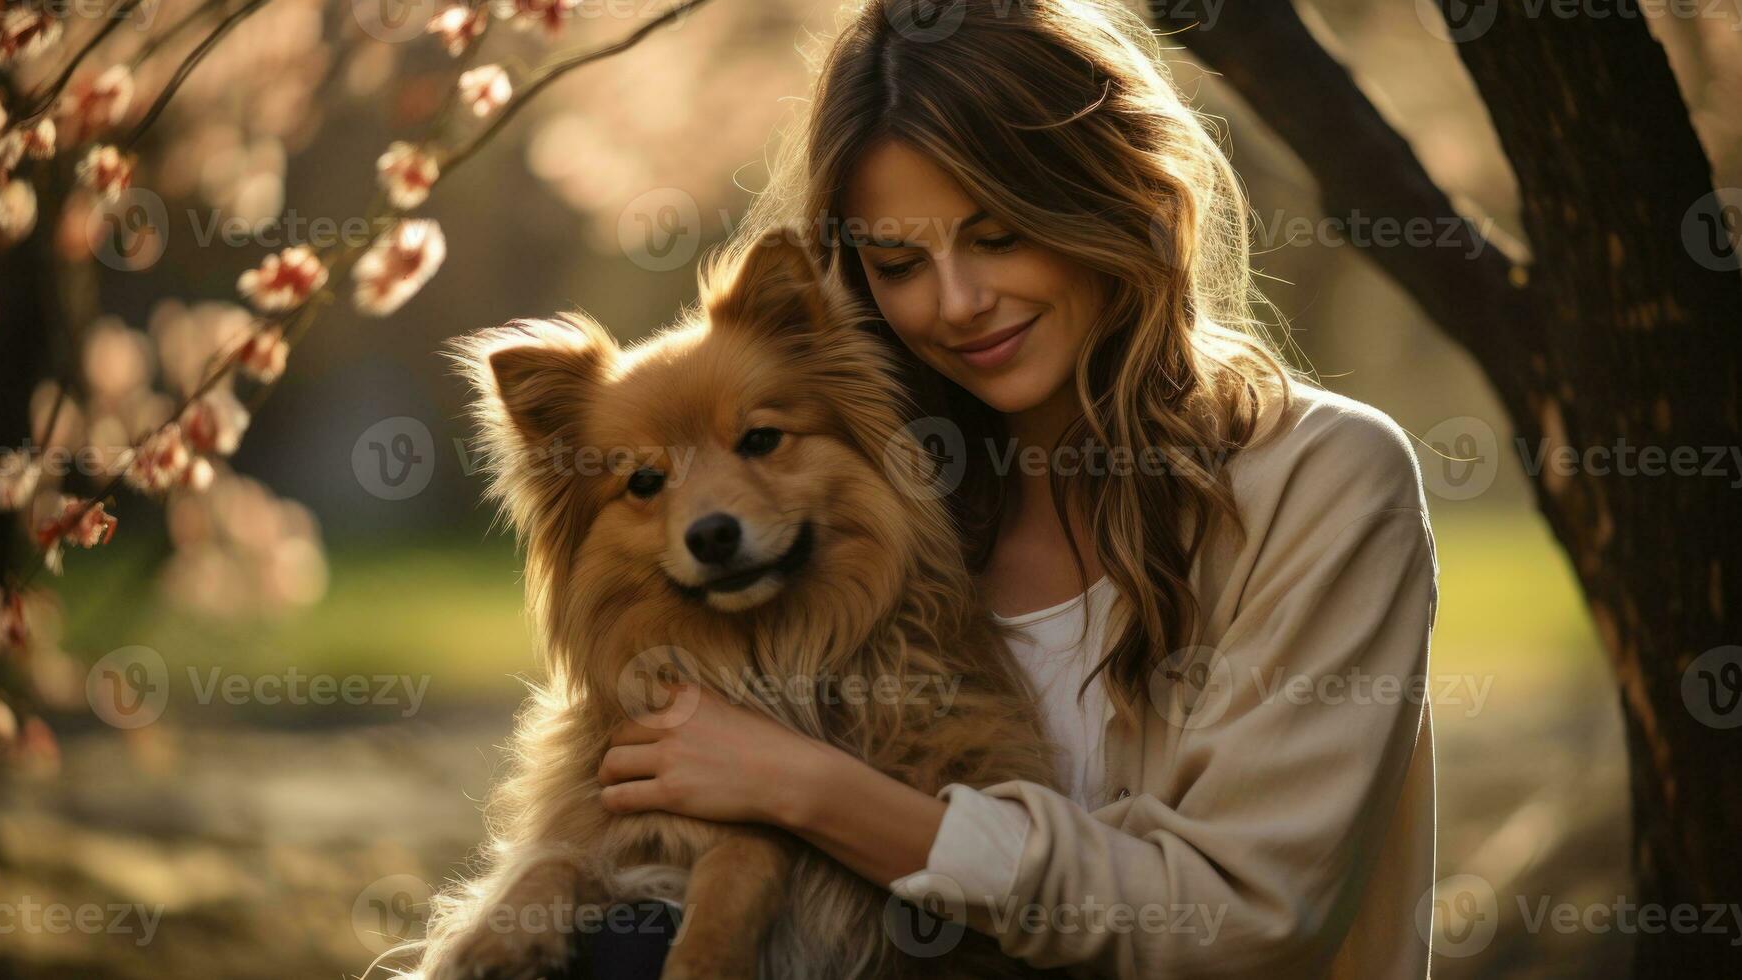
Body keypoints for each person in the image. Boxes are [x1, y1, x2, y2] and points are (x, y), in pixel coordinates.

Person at [589, 1, 1440, 977]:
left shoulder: (1326, 482)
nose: (955, 304)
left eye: (997, 237)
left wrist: (812, 789)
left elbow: (1243, 916)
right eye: (901, 263)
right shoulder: (860, 506)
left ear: (1114, 195)